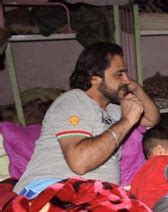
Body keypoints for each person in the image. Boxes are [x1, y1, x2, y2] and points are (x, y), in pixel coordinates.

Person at [14, 42, 159, 196]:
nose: (126, 79)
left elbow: (152, 118)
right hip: (53, 190)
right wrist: (127, 121)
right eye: (119, 74)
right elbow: (79, 163)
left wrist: (135, 88)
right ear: (94, 77)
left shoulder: (113, 110)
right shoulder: (74, 101)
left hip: (93, 197)